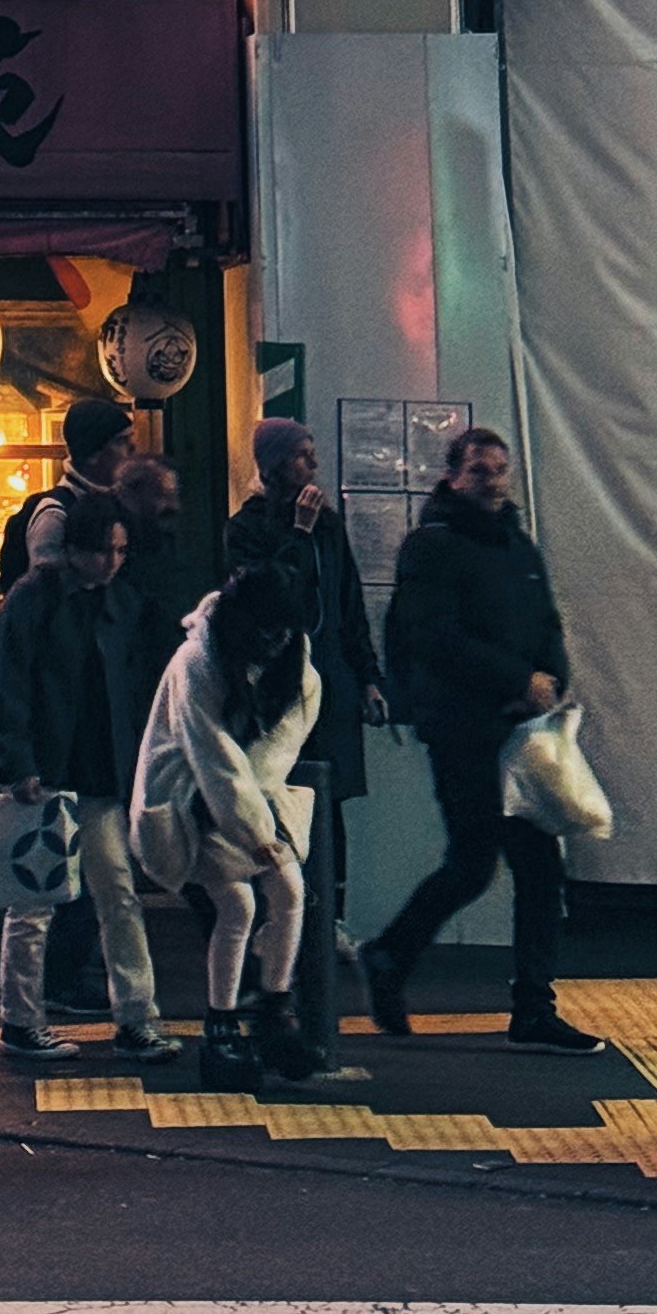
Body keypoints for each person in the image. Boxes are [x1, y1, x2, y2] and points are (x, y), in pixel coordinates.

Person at [361, 427, 603, 1058]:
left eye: (499, 470)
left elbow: (546, 620)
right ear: (452, 475)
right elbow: (433, 638)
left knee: (530, 867)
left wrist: (549, 679)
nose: (491, 481)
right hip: (463, 730)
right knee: (475, 865)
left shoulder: (516, 542)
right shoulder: (432, 546)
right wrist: (517, 678)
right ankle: (392, 954)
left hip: (518, 728)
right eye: (478, 470)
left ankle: (529, 1003)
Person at [0, 486, 178, 1069]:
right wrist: (19, 763)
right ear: (77, 550)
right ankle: (22, 1017)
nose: (113, 561)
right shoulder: (38, 597)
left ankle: (136, 1016)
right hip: (54, 771)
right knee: (37, 902)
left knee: (113, 892)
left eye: (120, 551)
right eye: (104, 551)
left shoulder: (113, 599)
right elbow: (8, 683)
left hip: (94, 768)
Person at [226, 418, 383, 1073]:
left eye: (313, 453)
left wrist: (369, 676)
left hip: (332, 680)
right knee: (282, 794)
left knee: (332, 797)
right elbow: (266, 596)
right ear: (271, 466)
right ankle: (282, 910)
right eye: (300, 456)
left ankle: (334, 911)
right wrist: (295, 534)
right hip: (281, 682)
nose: (312, 464)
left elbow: (347, 602)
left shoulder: (330, 524)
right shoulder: (250, 526)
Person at [132, 561, 325, 1091]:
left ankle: (262, 1015)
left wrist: (259, 829)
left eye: (285, 629)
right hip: (187, 798)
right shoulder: (197, 660)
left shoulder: (298, 667)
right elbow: (212, 756)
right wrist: (258, 833)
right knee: (246, 901)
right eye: (265, 628)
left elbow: (268, 759)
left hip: (243, 799)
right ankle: (238, 1024)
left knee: (282, 892)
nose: (275, 640)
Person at [0, 396, 133, 586]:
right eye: (121, 441)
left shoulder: (118, 503)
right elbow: (47, 590)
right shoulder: (54, 514)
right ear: (93, 453)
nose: (131, 449)